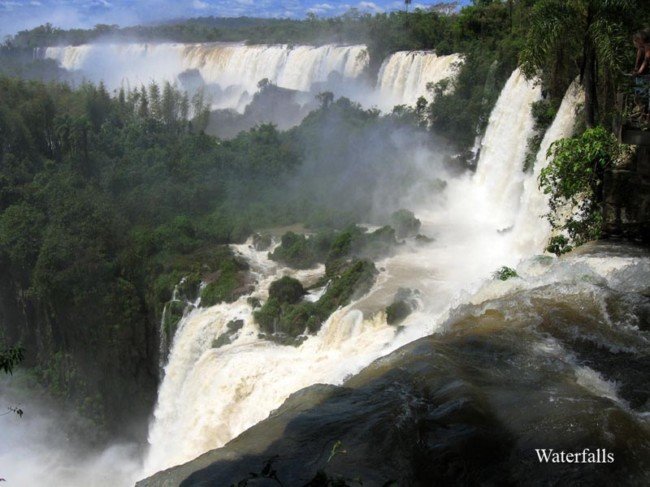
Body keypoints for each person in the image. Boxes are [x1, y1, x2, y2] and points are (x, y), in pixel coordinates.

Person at [631, 30, 650, 124]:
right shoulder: (641, 49)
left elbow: (646, 60)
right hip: (644, 76)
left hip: (646, 76)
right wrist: (636, 69)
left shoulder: (647, 47)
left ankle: (646, 117)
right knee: (641, 96)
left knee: (644, 96)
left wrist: (639, 71)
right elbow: (639, 59)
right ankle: (643, 116)